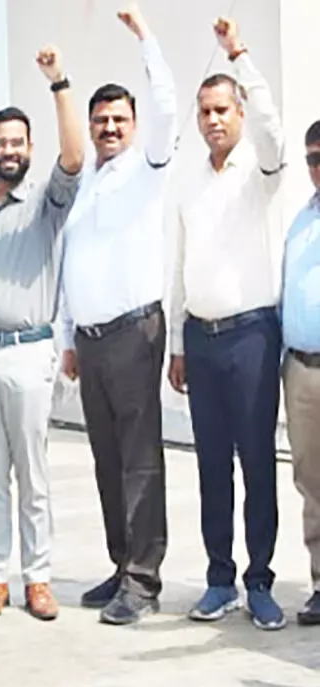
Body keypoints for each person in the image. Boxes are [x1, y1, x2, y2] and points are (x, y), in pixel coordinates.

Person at [166, 16, 286, 630]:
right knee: (212, 465)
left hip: (252, 338)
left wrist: (239, 55)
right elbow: (180, 265)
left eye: (222, 110)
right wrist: (176, 343)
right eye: (205, 112)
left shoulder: (259, 172)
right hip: (202, 339)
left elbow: (272, 130)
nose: (213, 120)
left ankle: (259, 580)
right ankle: (220, 580)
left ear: (238, 113)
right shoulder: (189, 183)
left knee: (257, 462)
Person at [59, 4, 176, 626]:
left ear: (133, 125)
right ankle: (121, 563)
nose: (109, 128)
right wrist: (68, 338)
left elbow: (169, 108)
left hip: (135, 332)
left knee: (139, 457)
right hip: (91, 339)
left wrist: (145, 38)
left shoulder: (147, 168)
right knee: (106, 457)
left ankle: (144, 580)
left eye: (118, 120)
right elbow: (70, 261)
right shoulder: (87, 184)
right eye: (101, 120)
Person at [0, 46, 84, 622]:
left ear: (29, 148)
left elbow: (75, 157)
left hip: (29, 352)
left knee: (33, 476)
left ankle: (38, 578)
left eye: (17, 142)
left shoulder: (44, 202)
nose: (8, 150)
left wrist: (58, 83)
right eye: (0, 142)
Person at [283, 121, 320, 627]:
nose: (318, 167)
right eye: (311, 158)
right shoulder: (299, 222)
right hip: (301, 371)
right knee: (312, 481)